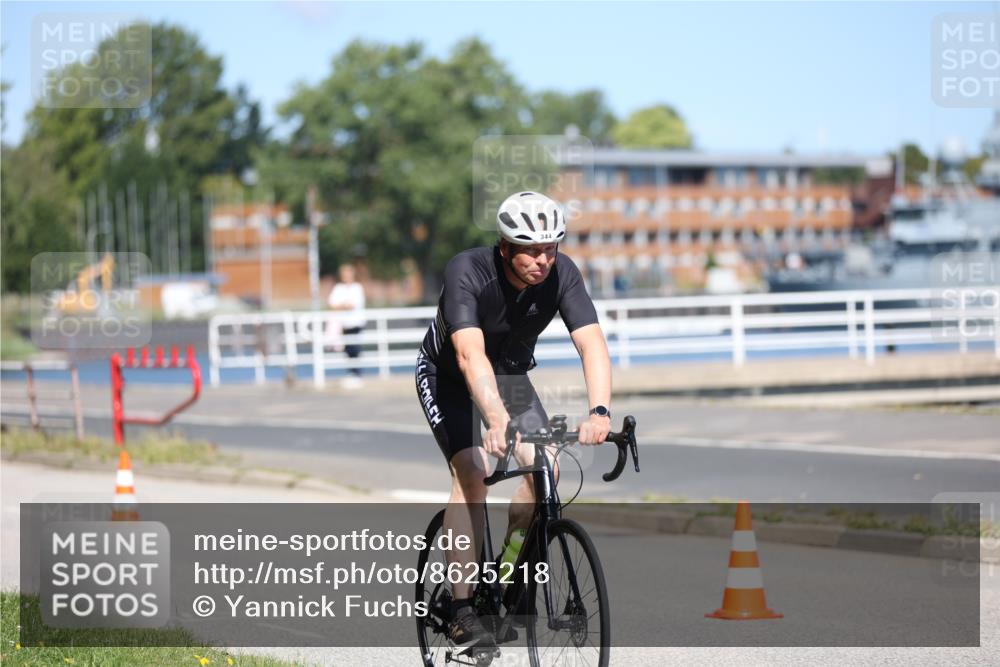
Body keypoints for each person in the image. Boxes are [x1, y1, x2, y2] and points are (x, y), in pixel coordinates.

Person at [415, 191, 613, 648]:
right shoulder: (468, 271)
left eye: (551, 248)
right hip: (450, 375)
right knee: (472, 472)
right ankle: (462, 607)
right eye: (531, 250)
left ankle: (506, 577)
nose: (543, 260)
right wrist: (496, 418)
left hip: (510, 375)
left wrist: (600, 410)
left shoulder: (563, 273)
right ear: (505, 247)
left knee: (549, 469)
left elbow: (592, 344)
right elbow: (469, 355)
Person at [328, 263, 366, 388]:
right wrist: (344, 306)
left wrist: (342, 306)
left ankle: (357, 374)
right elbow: (332, 304)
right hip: (342, 324)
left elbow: (352, 305)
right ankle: (352, 373)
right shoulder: (339, 288)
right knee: (347, 350)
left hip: (355, 323)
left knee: (355, 349)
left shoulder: (357, 288)